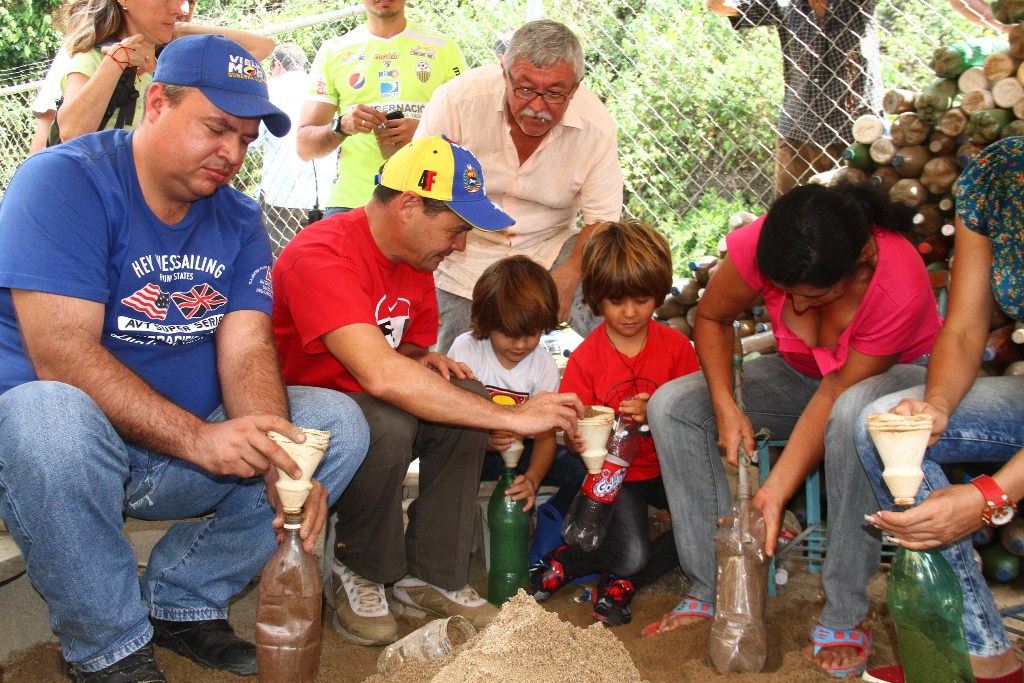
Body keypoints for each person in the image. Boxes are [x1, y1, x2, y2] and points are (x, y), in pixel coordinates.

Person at [0, 35, 369, 683]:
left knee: (330, 425)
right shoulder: (63, 180)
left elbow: (249, 346)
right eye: (217, 128)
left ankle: (183, 600)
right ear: (156, 104)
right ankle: (108, 648)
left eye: (247, 139)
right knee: (46, 411)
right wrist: (200, 437)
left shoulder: (235, 214)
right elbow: (61, 354)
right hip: (67, 461)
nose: (233, 153)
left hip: (180, 452)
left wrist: (283, 459)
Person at [271, 135, 585, 647]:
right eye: (456, 230)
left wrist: (427, 359)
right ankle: (360, 569)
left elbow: (402, 356)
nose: (459, 246)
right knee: (388, 421)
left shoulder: (417, 261)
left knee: (469, 397)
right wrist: (517, 418)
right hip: (308, 410)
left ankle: (433, 573)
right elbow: (381, 377)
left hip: (372, 394)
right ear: (409, 205)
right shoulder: (323, 253)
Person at [644, 183, 942, 679]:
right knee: (673, 406)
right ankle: (712, 590)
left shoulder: (899, 280)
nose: (798, 309)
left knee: (852, 416)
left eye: (817, 295)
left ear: (862, 259)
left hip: (894, 382)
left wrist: (773, 492)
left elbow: (836, 394)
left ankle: (845, 611)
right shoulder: (767, 245)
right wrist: (723, 406)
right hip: (801, 376)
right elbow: (713, 318)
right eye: (787, 295)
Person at [854, 136, 1024, 683]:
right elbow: (967, 327)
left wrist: (988, 496)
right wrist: (937, 405)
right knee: (885, 426)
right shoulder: (998, 175)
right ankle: (981, 654)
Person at [415, 19, 624, 353]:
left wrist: (570, 275)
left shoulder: (595, 124)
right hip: (464, 245)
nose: (537, 107)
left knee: (614, 291)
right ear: (504, 73)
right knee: (457, 363)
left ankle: (634, 381)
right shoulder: (456, 101)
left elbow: (602, 219)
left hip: (550, 243)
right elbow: (420, 191)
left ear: (576, 86)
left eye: (555, 93)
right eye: (524, 88)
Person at [530, 221, 700, 627]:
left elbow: (697, 420)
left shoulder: (677, 349)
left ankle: (622, 584)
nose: (628, 313)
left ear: (659, 294)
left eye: (641, 300)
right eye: (615, 301)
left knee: (705, 527)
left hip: (668, 469)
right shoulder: (587, 358)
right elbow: (575, 441)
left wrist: (659, 410)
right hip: (613, 478)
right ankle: (570, 562)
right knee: (631, 554)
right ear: (594, 300)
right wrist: (579, 435)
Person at [706, 0, 1008, 196]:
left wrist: (994, 20)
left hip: (858, 133)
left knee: (858, 218)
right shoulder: (785, 5)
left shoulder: (856, 3)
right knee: (791, 218)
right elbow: (718, 5)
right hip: (799, 134)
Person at [296, 0, 465, 217]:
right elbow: (304, 147)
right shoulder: (334, 51)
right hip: (352, 203)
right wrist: (343, 125)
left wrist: (425, 134)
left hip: (425, 201)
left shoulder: (442, 48)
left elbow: (472, 135)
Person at [447, 255, 584, 513]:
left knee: (580, 472)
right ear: (487, 323)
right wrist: (484, 441)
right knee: (452, 468)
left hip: (527, 449)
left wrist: (532, 479)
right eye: (509, 334)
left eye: (531, 334)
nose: (520, 345)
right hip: (475, 447)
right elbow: (454, 418)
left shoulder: (543, 364)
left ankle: (549, 523)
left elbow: (545, 440)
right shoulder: (467, 350)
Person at [52, 0, 273, 143]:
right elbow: (71, 133)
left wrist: (183, 30)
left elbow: (261, 48)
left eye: (187, 1)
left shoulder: (174, 61)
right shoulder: (95, 57)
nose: (181, 9)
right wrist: (116, 63)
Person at [253, 42, 337, 256]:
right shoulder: (320, 88)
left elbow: (252, 141)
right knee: (318, 259)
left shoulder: (270, 88)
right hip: (324, 197)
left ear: (276, 66)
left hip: (282, 197)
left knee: (282, 261)